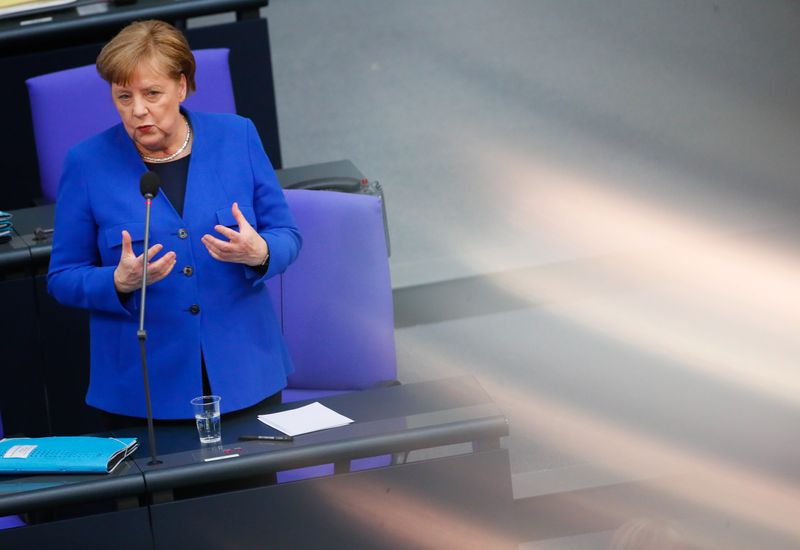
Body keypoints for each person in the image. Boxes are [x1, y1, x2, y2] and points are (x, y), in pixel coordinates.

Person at [47, 20, 301, 423]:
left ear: (181, 87)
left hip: (245, 373)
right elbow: (62, 276)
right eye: (123, 96)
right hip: (145, 388)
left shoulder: (238, 137)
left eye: (152, 93)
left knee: (256, 489)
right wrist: (117, 281)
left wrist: (261, 252)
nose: (138, 110)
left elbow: (287, 235)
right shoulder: (86, 163)